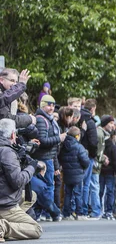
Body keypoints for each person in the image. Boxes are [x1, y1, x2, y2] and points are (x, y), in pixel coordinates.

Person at [0, 119, 44, 242]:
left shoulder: (7, 150)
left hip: (4, 197)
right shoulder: (7, 152)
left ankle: (9, 222)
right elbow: (17, 182)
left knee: (31, 196)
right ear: (13, 134)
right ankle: (3, 226)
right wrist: (32, 167)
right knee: (36, 229)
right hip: (5, 204)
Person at [32, 94, 66, 222]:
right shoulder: (42, 119)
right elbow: (43, 141)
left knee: (45, 188)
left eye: (53, 105)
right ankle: (51, 213)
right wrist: (59, 138)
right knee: (45, 188)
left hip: (49, 158)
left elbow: (53, 148)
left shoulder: (49, 119)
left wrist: (56, 164)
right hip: (44, 159)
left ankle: (41, 213)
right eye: (48, 104)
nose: (52, 107)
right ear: (42, 105)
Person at [59, 126, 90, 220]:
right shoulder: (79, 147)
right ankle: (79, 213)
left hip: (67, 173)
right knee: (78, 194)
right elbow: (85, 161)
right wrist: (83, 169)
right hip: (78, 174)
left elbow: (60, 158)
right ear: (77, 136)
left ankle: (66, 214)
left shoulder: (63, 146)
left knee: (67, 193)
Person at [80, 99, 100, 219]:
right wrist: (94, 155)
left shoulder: (78, 117)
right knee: (86, 184)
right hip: (87, 155)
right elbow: (93, 142)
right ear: (93, 108)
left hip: (78, 153)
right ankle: (83, 209)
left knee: (80, 183)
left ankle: (80, 209)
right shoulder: (90, 122)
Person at [97, 115, 116, 220]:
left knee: (101, 190)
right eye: (110, 123)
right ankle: (108, 211)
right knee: (109, 191)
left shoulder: (105, 142)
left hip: (103, 170)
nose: (112, 126)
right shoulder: (111, 145)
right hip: (108, 171)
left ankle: (100, 210)